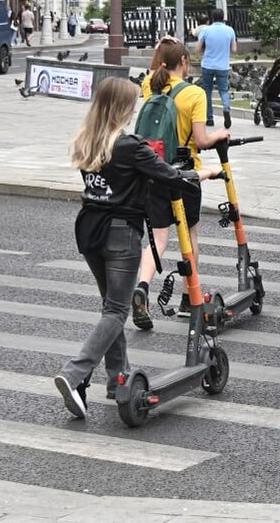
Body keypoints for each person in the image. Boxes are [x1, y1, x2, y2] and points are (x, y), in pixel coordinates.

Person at [54, 77, 217, 419]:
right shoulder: (128, 145)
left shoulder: (88, 140)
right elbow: (171, 175)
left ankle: (117, 380)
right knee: (116, 311)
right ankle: (74, 373)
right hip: (119, 232)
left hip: (88, 229)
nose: (134, 110)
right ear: (120, 109)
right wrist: (207, 174)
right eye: (130, 104)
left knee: (109, 307)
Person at [131, 38, 231, 330]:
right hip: (186, 174)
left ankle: (142, 287)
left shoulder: (152, 84)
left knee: (158, 239)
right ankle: (190, 296)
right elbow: (201, 140)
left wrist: (159, 49)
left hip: (154, 170)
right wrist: (220, 135)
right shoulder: (195, 94)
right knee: (191, 234)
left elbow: (153, 70)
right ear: (185, 62)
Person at [197, 9, 237, 128]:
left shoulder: (206, 30)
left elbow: (198, 49)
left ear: (212, 18)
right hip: (223, 66)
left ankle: (209, 118)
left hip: (208, 65)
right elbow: (234, 49)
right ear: (223, 17)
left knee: (207, 91)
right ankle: (226, 109)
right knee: (223, 90)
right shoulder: (230, 30)